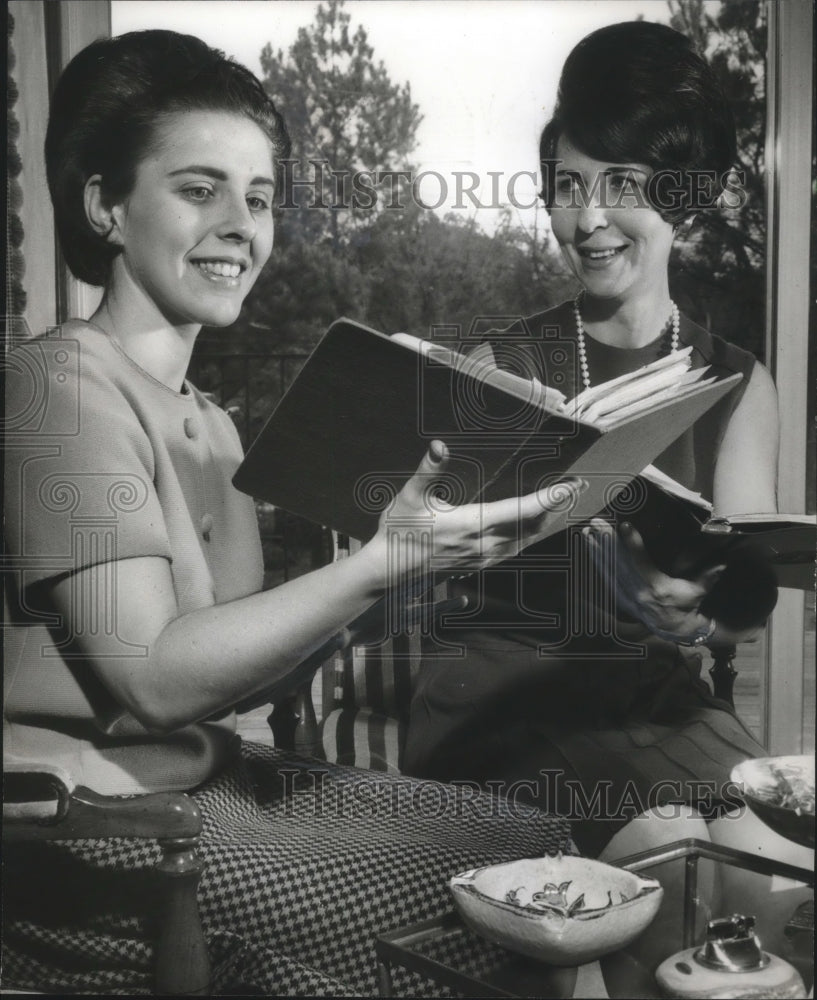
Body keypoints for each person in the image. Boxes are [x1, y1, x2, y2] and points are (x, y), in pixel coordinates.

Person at [1, 30, 578, 996]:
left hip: (208, 778)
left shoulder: (217, 431)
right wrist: (374, 564)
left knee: (535, 845)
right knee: (494, 909)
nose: (240, 225)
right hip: (83, 827)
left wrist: (415, 564)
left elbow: (234, 669)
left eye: (259, 199)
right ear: (105, 205)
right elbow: (152, 679)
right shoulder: (51, 390)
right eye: (198, 190)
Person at [403, 20, 812, 977]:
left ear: (684, 197)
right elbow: (423, 567)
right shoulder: (499, 365)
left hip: (654, 700)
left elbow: (739, 581)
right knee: (683, 872)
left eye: (622, 184)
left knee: (776, 878)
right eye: (568, 185)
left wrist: (696, 609)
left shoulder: (737, 381)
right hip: (500, 701)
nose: (587, 217)